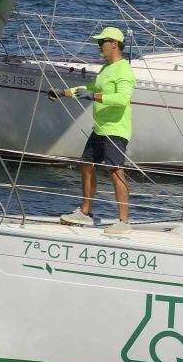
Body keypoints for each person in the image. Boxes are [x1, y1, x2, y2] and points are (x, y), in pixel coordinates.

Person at [57, 27, 136, 229]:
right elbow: (89, 89)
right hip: (100, 129)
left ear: (114, 44)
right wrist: (63, 92)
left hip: (115, 130)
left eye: (102, 42)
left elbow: (122, 99)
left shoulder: (124, 70)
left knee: (115, 171)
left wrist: (95, 96)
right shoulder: (106, 68)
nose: (98, 46)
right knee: (86, 165)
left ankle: (123, 221)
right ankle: (86, 212)